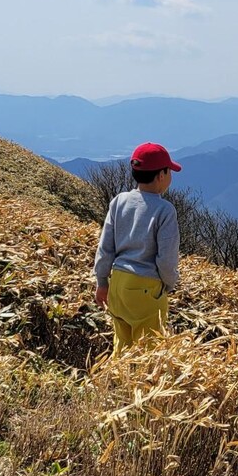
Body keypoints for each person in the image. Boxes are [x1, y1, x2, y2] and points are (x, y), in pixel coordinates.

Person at [93, 142, 182, 355]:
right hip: (146, 288)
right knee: (147, 354)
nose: (170, 175)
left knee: (122, 347)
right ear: (161, 175)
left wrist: (102, 282)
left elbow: (106, 247)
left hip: (118, 284)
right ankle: (136, 388)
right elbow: (166, 260)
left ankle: (113, 385)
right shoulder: (165, 210)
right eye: (169, 171)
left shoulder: (119, 201)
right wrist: (168, 285)